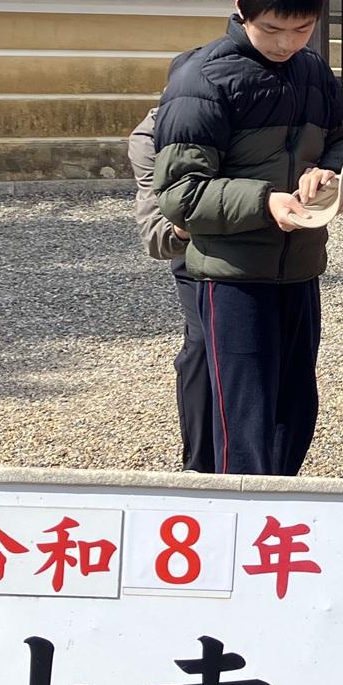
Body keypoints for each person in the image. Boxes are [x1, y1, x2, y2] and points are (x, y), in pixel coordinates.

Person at [152, 0, 343, 476]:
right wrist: (265, 201)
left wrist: (332, 174)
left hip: (299, 267)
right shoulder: (200, 81)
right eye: (272, 29)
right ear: (240, 6)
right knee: (241, 422)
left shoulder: (313, 72)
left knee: (294, 409)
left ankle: (279, 529)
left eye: (302, 29)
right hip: (231, 276)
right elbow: (181, 193)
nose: (286, 43)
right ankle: (238, 533)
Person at [128, 106, 213, 473]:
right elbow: (158, 238)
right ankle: (199, 465)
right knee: (202, 346)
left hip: (269, 252)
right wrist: (199, 218)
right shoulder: (151, 136)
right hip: (196, 253)